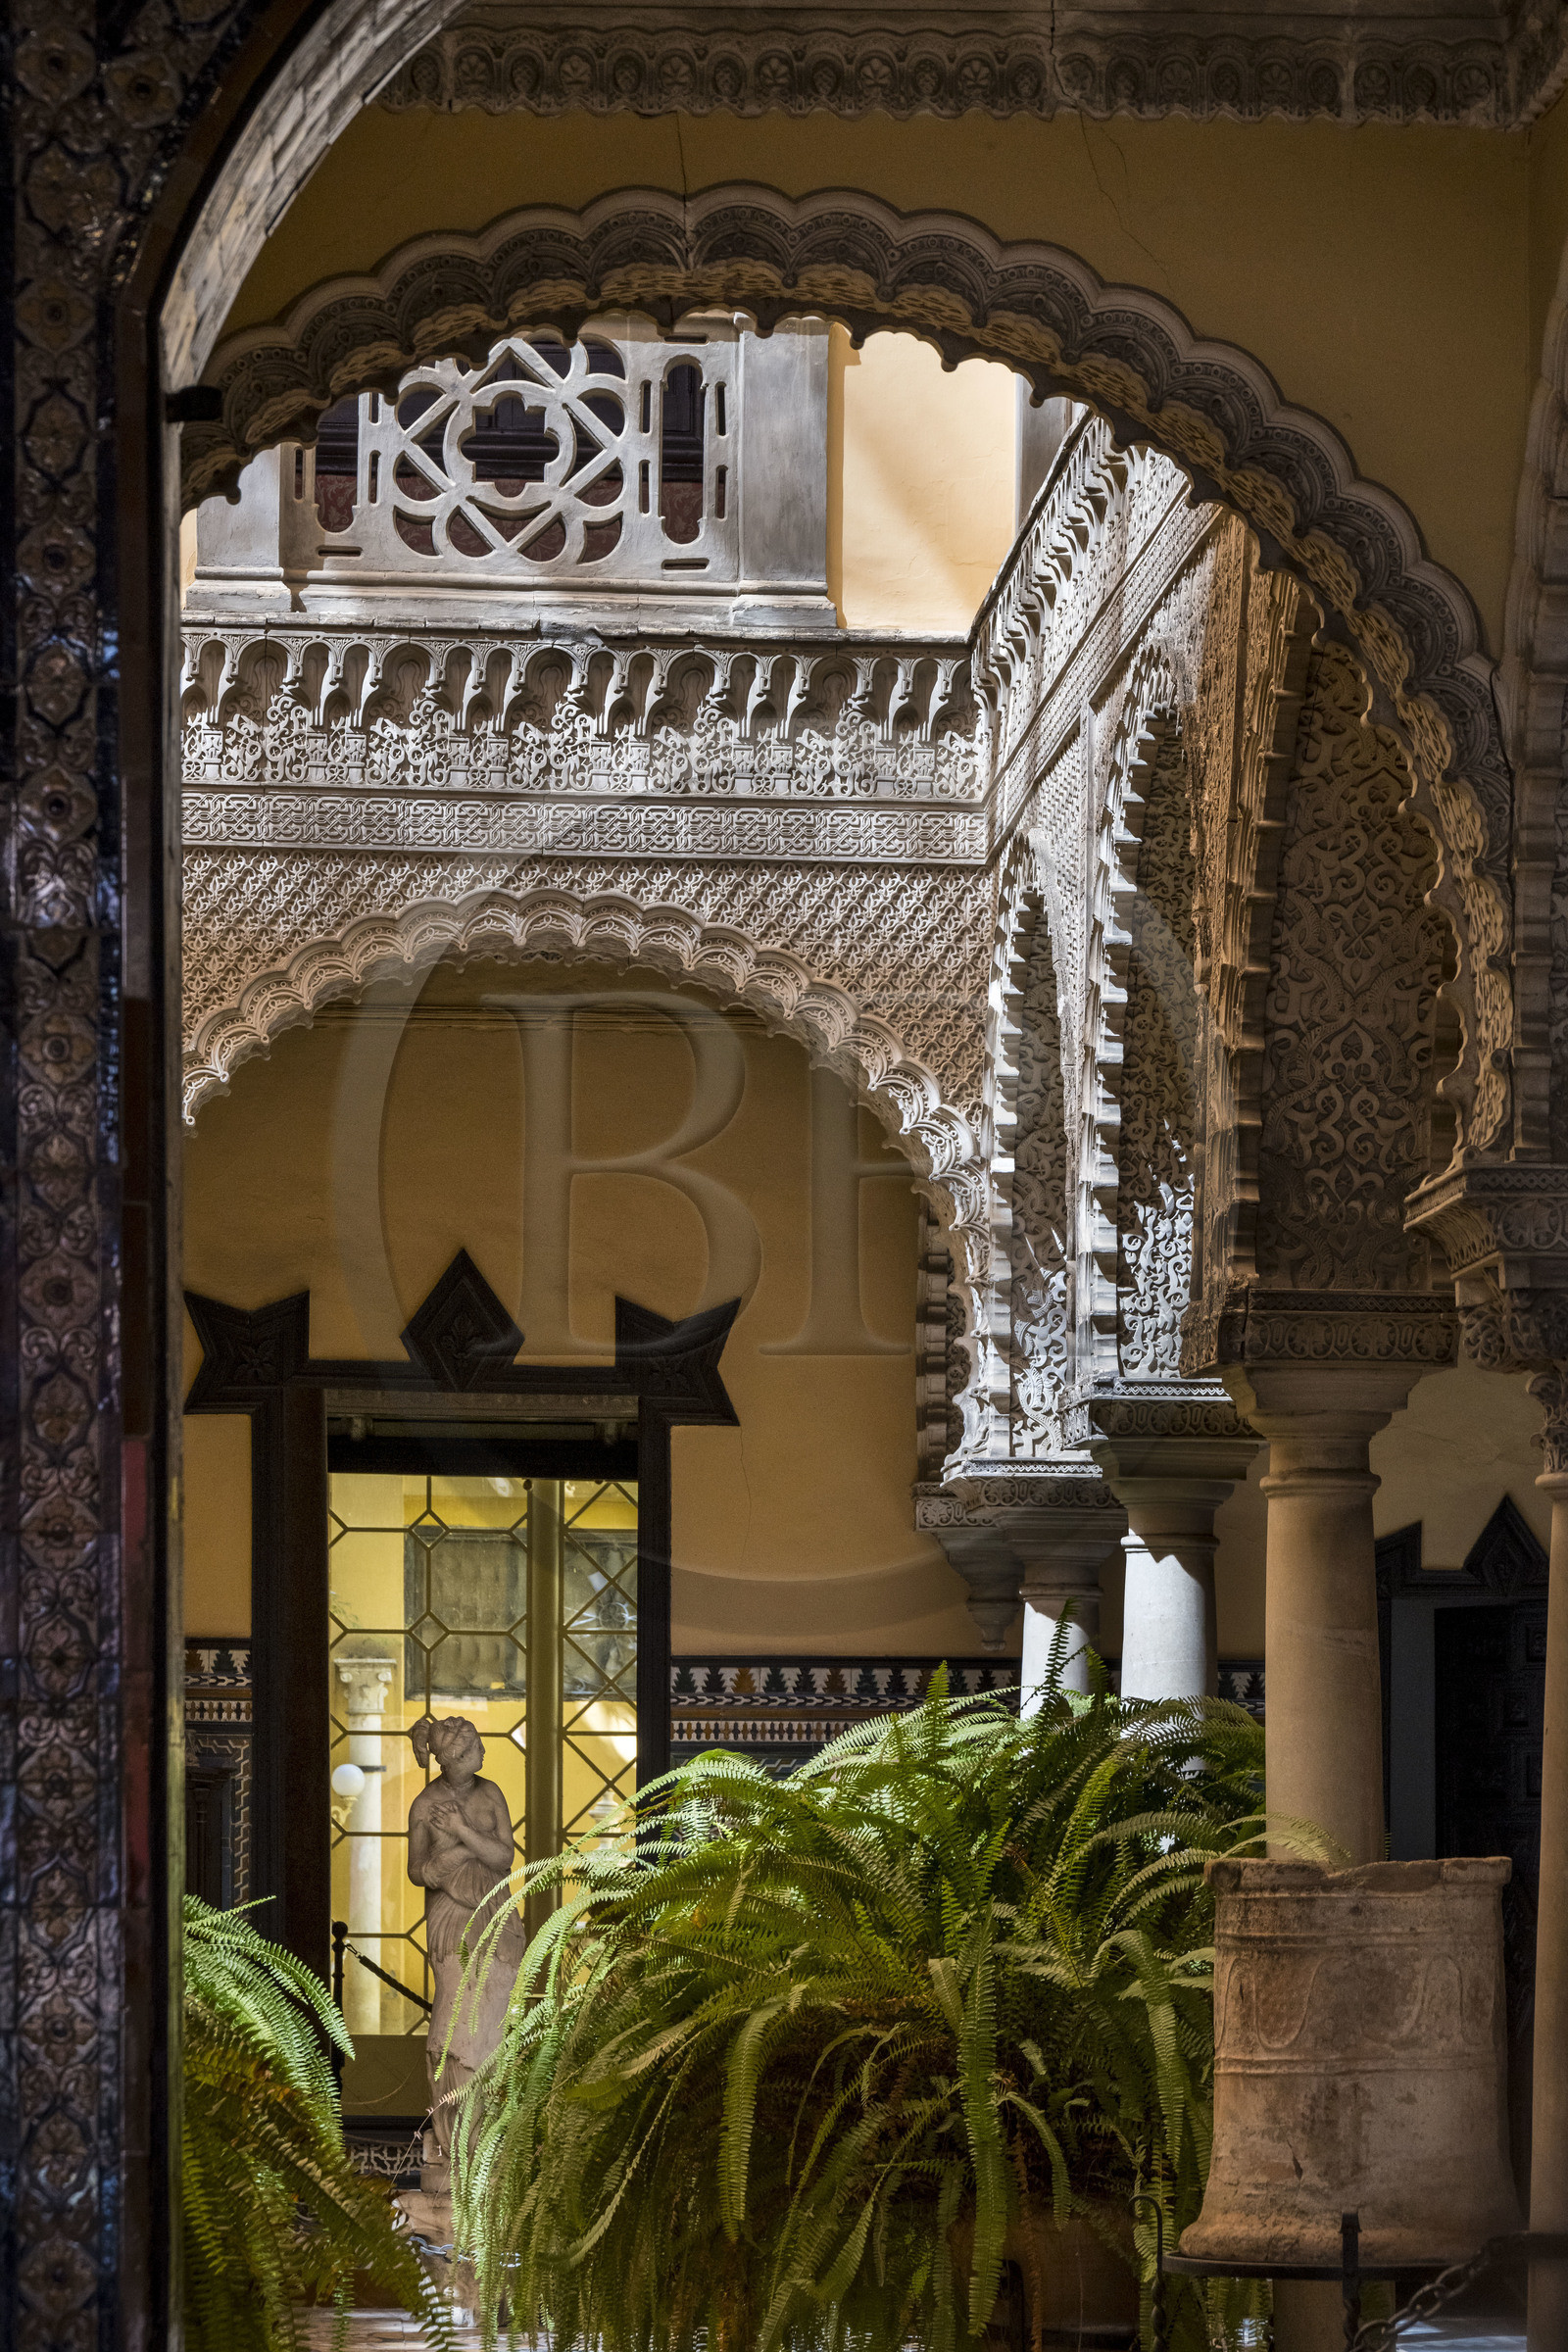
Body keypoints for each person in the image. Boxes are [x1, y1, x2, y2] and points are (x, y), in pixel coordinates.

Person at [406, 1714, 523, 2160]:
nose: (483, 1754)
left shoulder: (490, 1792)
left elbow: (503, 1857)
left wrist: (459, 1832)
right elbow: (419, 1872)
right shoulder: (423, 1804)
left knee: (493, 2017)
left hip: (494, 1912)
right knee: (455, 2019)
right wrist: (460, 1848)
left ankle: (492, 2130)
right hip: (452, 1917)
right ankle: (456, 2133)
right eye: (474, 1748)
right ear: (453, 1757)